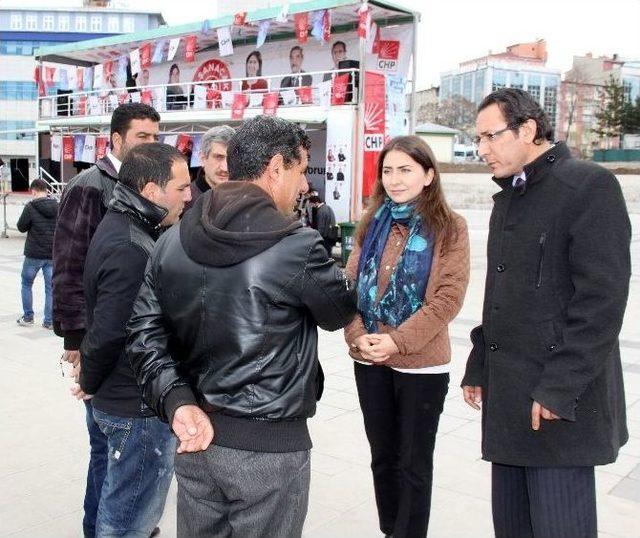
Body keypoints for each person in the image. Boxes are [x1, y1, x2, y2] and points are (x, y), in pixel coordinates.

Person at [126, 115, 358, 538]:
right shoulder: (296, 246)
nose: (304, 185)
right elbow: (339, 311)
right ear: (275, 168)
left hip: (195, 436)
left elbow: (143, 336)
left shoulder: (170, 240)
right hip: (268, 450)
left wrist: (178, 402)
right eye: (301, 170)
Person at [461, 88, 631, 538]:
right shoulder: (509, 200)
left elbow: (602, 302)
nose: (482, 150)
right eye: (478, 139)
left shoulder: (588, 186)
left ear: (529, 130)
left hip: (557, 404)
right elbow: (499, 295)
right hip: (509, 401)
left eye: (490, 136)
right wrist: (479, 362)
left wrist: (559, 389)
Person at [344, 135, 470, 538]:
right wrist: (358, 334)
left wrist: (397, 341)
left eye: (406, 170)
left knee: (413, 463)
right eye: (388, 170)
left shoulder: (449, 227)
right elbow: (347, 287)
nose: (395, 179)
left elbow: (448, 298)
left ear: (429, 175)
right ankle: (389, 530)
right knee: (383, 457)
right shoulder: (371, 222)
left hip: (421, 365)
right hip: (370, 359)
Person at [52, 102, 160, 538]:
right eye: (142, 137)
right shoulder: (90, 186)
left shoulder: (148, 186)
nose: (151, 144)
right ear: (116, 140)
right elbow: (67, 267)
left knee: (117, 453)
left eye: (156, 136)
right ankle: (98, 529)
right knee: (106, 450)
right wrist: (75, 339)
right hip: (101, 343)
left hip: (133, 343)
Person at [74, 143, 190, 537]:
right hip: (135, 405)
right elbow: (112, 330)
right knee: (128, 523)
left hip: (122, 397)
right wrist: (87, 379)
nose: (189, 196)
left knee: (115, 502)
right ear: (153, 191)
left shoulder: (128, 226)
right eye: (181, 188)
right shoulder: (131, 246)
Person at [16, 179, 58, 329]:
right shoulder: (57, 206)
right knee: (50, 288)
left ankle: (28, 317)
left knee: (26, 284)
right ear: (46, 190)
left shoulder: (30, 207)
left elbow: (21, 227)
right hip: (52, 254)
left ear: (33, 191)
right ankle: (49, 321)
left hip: (33, 254)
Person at [183, 124, 235, 212]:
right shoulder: (185, 200)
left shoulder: (246, 198)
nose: (225, 168)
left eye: (231, 158)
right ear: (203, 159)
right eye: (218, 157)